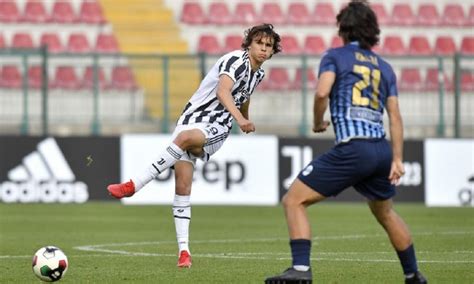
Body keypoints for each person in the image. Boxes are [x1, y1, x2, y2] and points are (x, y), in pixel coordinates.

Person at [264, 1, 427, 284]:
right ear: (372, 31)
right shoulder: (385, 68)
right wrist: (398, 158)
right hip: (381, 150)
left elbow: (321, 93)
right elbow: (395, 116)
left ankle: (300, 270)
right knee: (385, 212)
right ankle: (414, 275)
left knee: (294, 200)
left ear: (343, 28)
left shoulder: (335, 57)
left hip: (354, 147)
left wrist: (317, 122)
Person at [107, 23, 281, 268]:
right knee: (182, 186)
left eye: (268, 46)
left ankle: (134, 185)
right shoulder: (235, 61)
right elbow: (223, 91)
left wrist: (243, 118)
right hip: (190, 119)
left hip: (218, 127)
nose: (263, 49)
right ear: (249, 44)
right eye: (259, 43)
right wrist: (242, 120)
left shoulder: (258, 73)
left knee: (186, 140)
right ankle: (184, 252)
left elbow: (244, 95)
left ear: (273, 52)